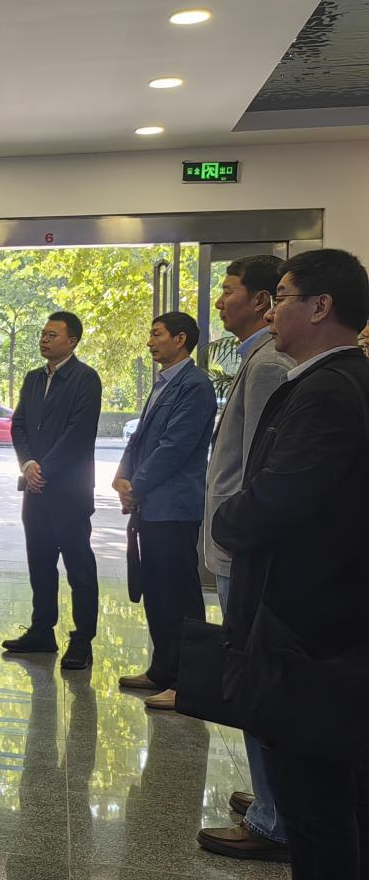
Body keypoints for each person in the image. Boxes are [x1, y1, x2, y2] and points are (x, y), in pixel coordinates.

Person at [213, 249, 369, 880]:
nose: (271, 310)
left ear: (320, 306)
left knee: (314, 809)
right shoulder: (341, 379)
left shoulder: (326, 391)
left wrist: (225, 519)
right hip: (326, 622)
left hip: (305, 632)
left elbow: (278, 498)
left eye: (280, 297)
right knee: (331, 801)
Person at [195, 256, 292, 861]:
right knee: (250, 674)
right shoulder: (254, 359)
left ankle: (273, 819)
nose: (219, 301)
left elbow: (262, 468)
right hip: (233, 544)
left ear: (260, 301)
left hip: (242, 550)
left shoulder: (268, 366)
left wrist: (231, 530)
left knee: (254, 678)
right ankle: (269, 798)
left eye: (228, 290)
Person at [113, 311, 216, 710]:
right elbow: (140, 439)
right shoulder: (164, 382)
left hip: (174, 506)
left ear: (181, 338)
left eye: (157, 334)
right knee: (156, 591)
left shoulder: (195, 385)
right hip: (152, 505)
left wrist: (136, 486)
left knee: (179, 594)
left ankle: (187, 682)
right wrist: (122, 477)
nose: (150, 342)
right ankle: (162, 670)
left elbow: (175, 447)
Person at [3, 311, 103, 670]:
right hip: (35, 490)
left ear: (71, 341)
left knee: (79, 567)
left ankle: (82, 640)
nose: (44, 340)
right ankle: (42, 631)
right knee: (40, 563)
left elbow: (78, 433)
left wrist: (42, 469)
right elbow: (18, 425)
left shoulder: (86, 378)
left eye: (52, 335)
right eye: (42, 334)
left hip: (70, 492)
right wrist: (28, 464)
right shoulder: (33, 378)